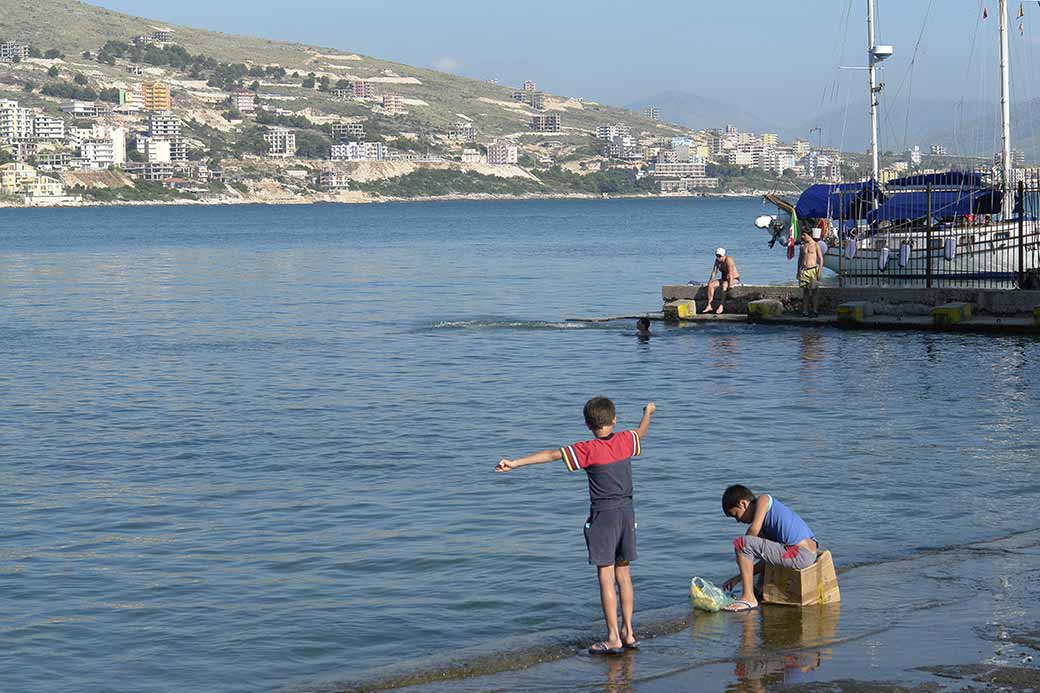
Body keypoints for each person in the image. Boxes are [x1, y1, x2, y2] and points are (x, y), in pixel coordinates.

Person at [495, 398, 656, 654]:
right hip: (627, 511)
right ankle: (629, 633)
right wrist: (648, 412)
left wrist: (515, 463)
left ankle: (613, 637)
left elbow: (551, 455)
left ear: (587, 424)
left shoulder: (587, 449)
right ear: (614, 419)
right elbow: (642, 432)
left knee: (606, 575)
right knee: (624, 575)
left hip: (603, 514)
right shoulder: (626, 440)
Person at [719, 484, 818, 612]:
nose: (738, 521)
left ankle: (749, 598)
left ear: (743, 504)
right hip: (802, 553)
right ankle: (754, 594)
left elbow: (751, 533)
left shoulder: (763, 500)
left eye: (736, 515)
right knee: (758, 586)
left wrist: (743, 549)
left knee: (741, 543)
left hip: (800, 553)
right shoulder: (764, 524)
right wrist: (737, 578)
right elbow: (767, 559)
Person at [702, 248, 740, 314]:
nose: (718, 257)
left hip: (734, 279)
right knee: (711, 285)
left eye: (719, 256)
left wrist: (730, 284)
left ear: (723, 255)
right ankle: (709, 305)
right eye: (717, 256)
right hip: (724, 279)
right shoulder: (717, 261)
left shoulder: (728, 260)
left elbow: (730, 273)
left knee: (725, 284)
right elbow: (714, 272)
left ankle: (721, 306)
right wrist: (710, 282)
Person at [797, 230, 823, 317]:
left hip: (813, 270)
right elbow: (800, 259)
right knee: (805, 292)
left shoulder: (816, 245)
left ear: (809, 235)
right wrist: (798, 271)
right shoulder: (802, 246)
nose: (802, 237)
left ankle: (815, 310)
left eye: (804, 235)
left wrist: (819, 271)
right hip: (804, 270)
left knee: (815, 291)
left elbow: (821, 259)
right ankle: (805, 311)